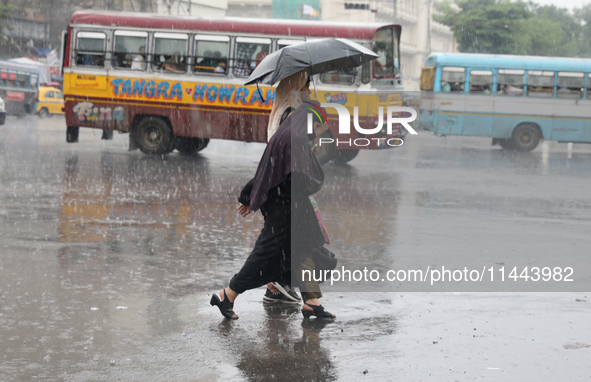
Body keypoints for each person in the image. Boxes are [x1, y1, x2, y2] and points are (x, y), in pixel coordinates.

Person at [210, 78, 335, 320]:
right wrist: (251, 195)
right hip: (284, 206)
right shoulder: (293, 133)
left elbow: (271, 168)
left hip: (291, 204)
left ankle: (311, 301)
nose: (319, 133)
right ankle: (228, 294)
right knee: (266, 255)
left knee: (305, 248)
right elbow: (278, 171)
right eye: (319, 128)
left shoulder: (293, 129)